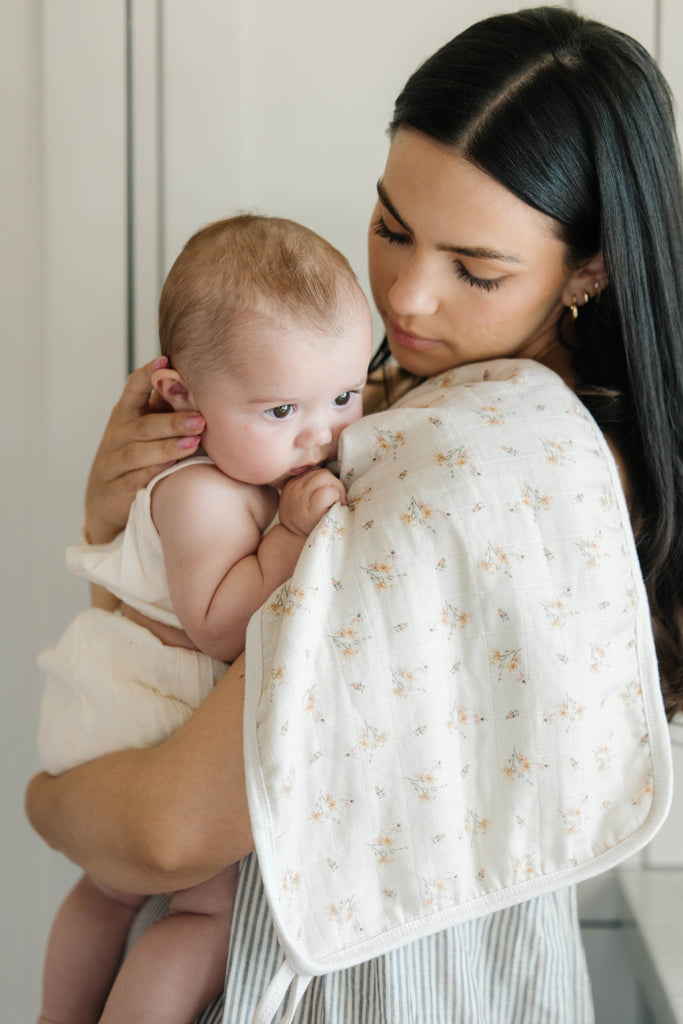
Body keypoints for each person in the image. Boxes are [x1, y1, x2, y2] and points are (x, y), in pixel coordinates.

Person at [26, 7, 683, 1022]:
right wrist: (141, 518)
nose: (405, 299)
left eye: (474, 268)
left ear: (588, 267)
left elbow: (167, 830)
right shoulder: (464, 417)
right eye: (388, 227)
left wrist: (50, 802)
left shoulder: (471, 460)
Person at [35, 214, 372, 1024]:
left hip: (111, 697)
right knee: (204, 916)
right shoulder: (202, 494)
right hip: (149, 708)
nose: (321, 434)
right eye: (282, 409)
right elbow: (220, 625)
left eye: (344, 395)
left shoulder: (245, 471)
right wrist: (290, 536)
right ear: (182, 397)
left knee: (107, 892)